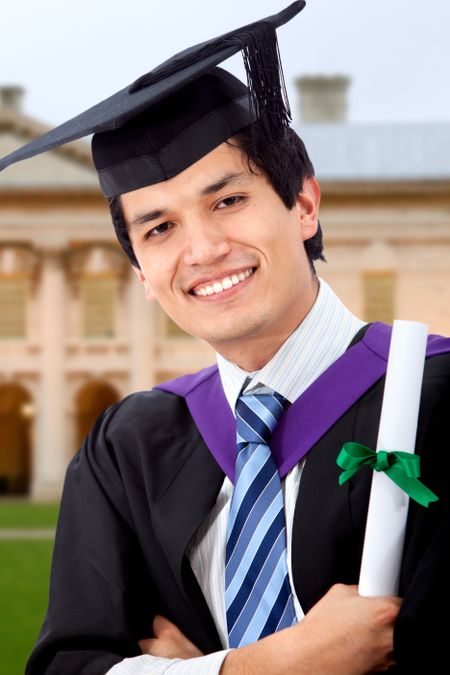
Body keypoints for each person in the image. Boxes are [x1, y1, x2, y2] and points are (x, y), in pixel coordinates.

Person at [1, 2, 449, 673]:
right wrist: (277, 662)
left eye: (227, 201)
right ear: (143, 276)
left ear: (302, 203)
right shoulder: (128, 448)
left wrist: (185, 667)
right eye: (159, 229)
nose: (203, 249)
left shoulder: (440, 403)